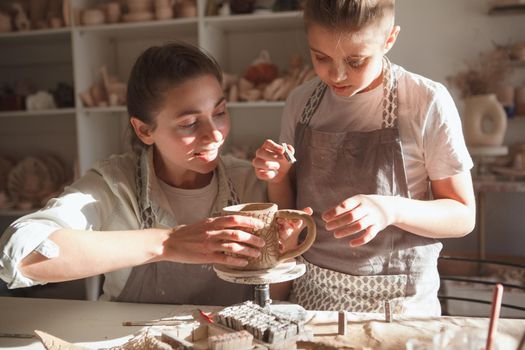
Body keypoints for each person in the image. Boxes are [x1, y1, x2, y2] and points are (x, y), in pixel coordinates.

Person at [0, 42, 269, 305]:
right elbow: (22, 253)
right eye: (189, 123)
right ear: (144, 131)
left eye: (220, 112)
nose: (215, 134)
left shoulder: (248, 180)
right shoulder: (114, 183)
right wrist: (167, 244)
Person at [252, 0, 476, 316]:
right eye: (321, 57)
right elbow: (291, 216)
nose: (337, 74)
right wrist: (276, 176)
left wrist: (389, 208)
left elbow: (463, 216)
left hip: (399, 304)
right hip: (313, 296)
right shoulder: (301, 102)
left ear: (389, 40)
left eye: (356, 61)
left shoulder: (424, 101)